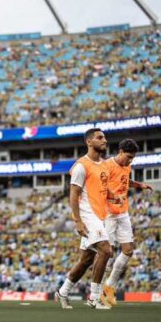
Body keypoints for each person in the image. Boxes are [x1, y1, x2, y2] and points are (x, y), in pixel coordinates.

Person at [55, 128, 112, 310]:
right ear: (89, 142)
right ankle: (94, 298)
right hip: (87, 215)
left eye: (104, 137)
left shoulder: (103, 165)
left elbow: (101, 189)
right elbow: (74, 194)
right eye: (99, 137)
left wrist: (113, 196)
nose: (104, 140)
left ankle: (63, 292)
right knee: (106, 250)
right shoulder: (81, 165)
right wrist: (78, 220)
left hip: (99, 215)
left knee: (86, 259)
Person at [101, 138, 153, 307]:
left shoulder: (127, 166)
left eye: (133, 158)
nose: (130, 160)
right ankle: (98, 291)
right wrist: (112, 197)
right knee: (106, 253)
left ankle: (109, 286)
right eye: (129, 156)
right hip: (108, 214)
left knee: (128, 250)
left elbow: (125, 181)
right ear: (121, 151)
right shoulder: (107, 165)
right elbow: (100, 187)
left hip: (123, 213)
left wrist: (140, 185)